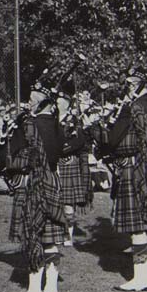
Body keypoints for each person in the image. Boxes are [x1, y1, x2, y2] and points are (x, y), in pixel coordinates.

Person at [101, 68, 147, 292]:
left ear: (139, 86)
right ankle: (146, 276)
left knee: (138, 227)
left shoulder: (134, 107)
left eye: (131, 84)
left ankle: (141, 278)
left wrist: (114, 118)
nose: (128, 87)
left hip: (133, 168)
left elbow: (113, 140)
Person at [3, 83, 66, 292]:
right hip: (53, 182)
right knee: (50, 237)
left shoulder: (28, 126)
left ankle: (34, 290)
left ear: (43, 101)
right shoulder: (58, 125)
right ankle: (51, 288)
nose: (28, 102)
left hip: (32, 183)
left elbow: (14, 158)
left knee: (33, 236)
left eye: (32, 98)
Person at [57, 98, 93, 246]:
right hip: (55, 163)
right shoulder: (51, 121)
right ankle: (57, 231)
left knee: (68, 203)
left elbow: (80, 142)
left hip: (69, 163)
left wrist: (62, 148)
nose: (56, 105)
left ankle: (68, 235)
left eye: (58, 103)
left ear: (65, 104)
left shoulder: (74, 121)